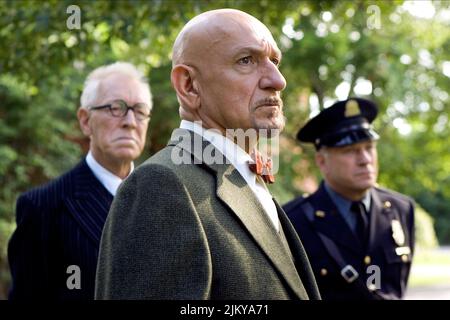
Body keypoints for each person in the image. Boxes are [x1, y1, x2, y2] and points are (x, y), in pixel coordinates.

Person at [95, 9, 320, 300]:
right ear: (188, 85)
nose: (277, 80)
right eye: (246, 61)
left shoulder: (242, 177)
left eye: (274, 61)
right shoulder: (160, 186)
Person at [7, 62, 153, 300]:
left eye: (139, 110)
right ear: (85, 121)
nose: (130, 121)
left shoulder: (166, 199)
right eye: (116, 108)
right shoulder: (42, 207)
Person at [283, 97, 415, 300]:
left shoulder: (401, 209)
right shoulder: (292, 220)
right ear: (322, 161)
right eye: (350, 151)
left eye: (369, 147)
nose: (365, 160)